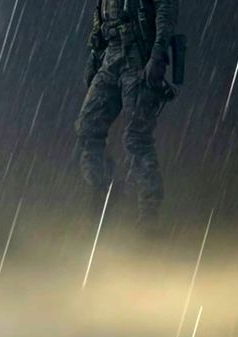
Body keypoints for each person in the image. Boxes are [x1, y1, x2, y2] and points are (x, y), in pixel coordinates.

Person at [76, 0, 181, 229]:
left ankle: (149, 215)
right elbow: (102, 14)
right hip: (110, 55)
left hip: (138, 55)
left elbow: (166, 8)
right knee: (88, 128)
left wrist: (157, 54)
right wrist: (94, 56)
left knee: (137, 138)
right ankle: (101, 195)